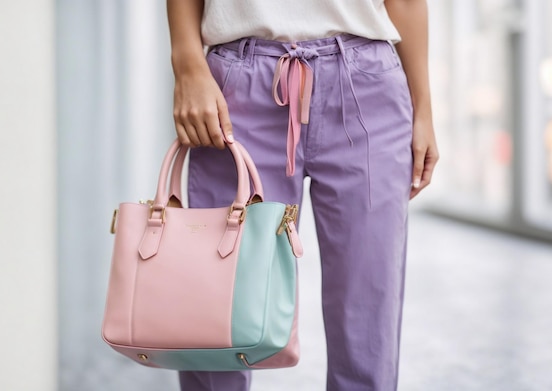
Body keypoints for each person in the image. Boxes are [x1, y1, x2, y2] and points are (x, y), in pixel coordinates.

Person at [166, 0, 438, 390]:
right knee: (217, 301)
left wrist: (423, 109)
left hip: (368, 86)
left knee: (368, 309)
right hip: (238, 89)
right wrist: (187, 65)